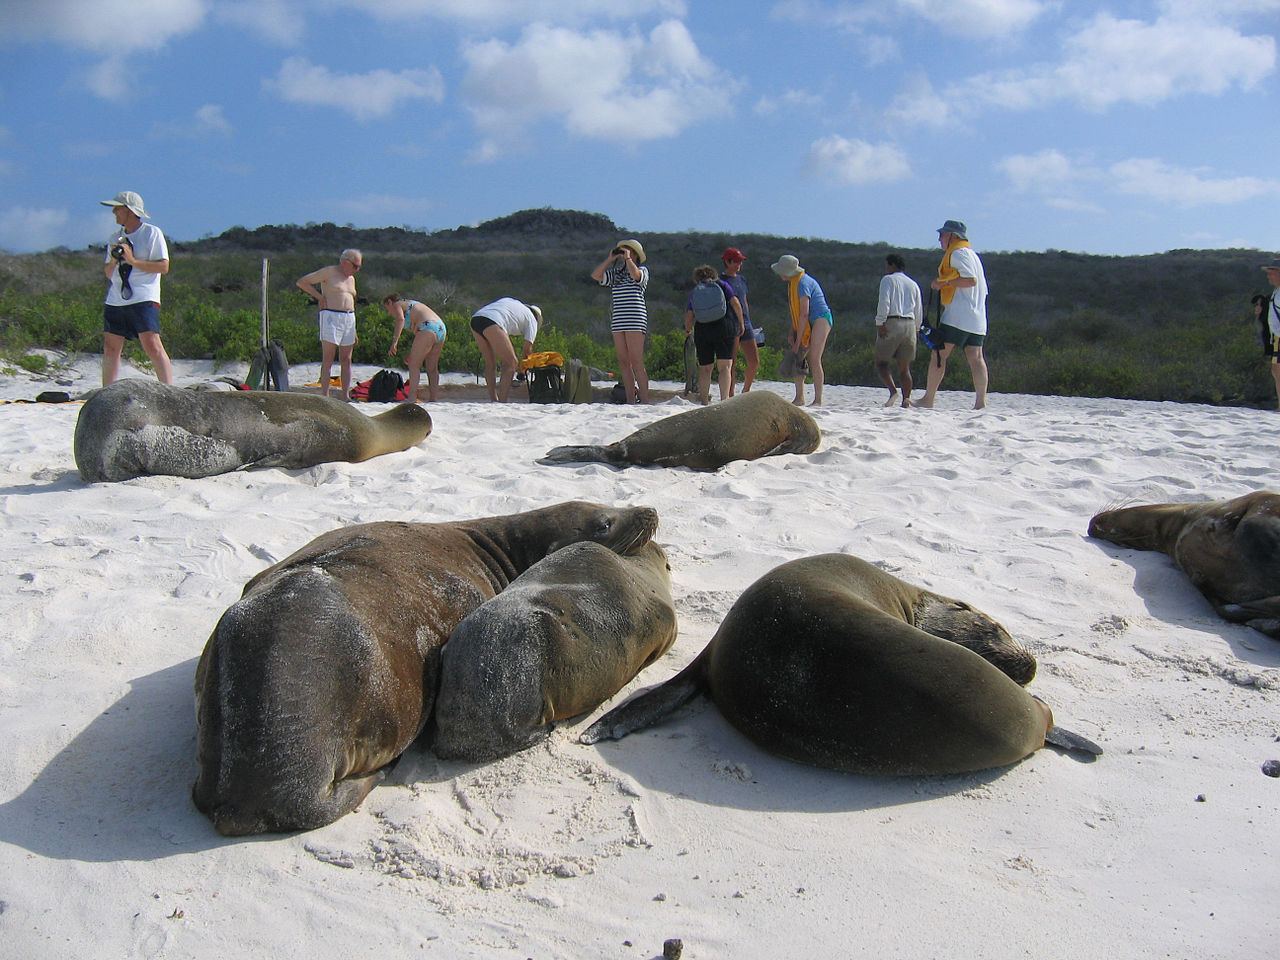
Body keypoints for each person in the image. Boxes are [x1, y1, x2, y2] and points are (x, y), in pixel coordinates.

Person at [98, 191, 174, 387]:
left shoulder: (151, 233)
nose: (114, 212)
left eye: (118, 208)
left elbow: (163, 267)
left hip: (143, 297)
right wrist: (116, 258)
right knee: (111, 347)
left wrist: (132, 260)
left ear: (129, 211)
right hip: (116, 298)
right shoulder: (115, 237)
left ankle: (169, 389)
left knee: (151, 345)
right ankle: (107, 391)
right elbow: (108, 272)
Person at [918, 220, 989, 410]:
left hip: (958, 315)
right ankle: (980, 403)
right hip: (978, 318)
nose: (939, 238)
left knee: (939, 355)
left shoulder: (958, 254)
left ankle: (928, 399)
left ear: (953, 236)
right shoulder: (974, 255)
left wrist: (943, 284)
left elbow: (970, 280)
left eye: (943, 235)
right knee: (976, 358)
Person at [296, 249, 363, 400]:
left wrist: (355, 330)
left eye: (359, 267)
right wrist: (319, 297)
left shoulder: (351, 279)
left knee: (346, 359)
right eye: (355, 266)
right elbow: (302, 282)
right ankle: (325, 395)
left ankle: (345, 396)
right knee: (328, 358)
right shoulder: (328, 272)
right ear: (346, 262)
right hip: (331, 315)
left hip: (349, 317)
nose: (356, 270)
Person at [591, 239, 650, 404]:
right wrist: (610, 259)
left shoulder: (642, 270)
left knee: (636, 361)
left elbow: (636, 276)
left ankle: (645, 401)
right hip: (618, 320)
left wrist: (629, 259)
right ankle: (630, 400)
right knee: (624, 362)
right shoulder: (616, 274)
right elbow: (596, 276)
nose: (624, 253)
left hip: (635, 319)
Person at [771, 254, 832, 406]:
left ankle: (818, 400)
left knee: (814, 359)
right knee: (799, 357)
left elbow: (804, 313)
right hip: (806, 320)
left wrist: (798, 342)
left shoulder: (803, 282)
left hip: (820, 318)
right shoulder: (793, 283)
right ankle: (800, 397)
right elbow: (797, 314)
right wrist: (793, 332)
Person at [684, 264, 743, 404]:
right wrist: (740, 323)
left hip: (703, 329)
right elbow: (735, 303)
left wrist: (687, 330)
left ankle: (704, 401)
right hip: (724, 326)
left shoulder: (695, 291)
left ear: (697, 279)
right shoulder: (723, 285)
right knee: (725, 367)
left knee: (705, 368)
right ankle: (724, 400)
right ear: (714, 275)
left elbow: (690, 315)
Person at [873, 253, 923, 408]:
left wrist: (880, 322)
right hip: (910, 323)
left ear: (892, 265)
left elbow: (884, 302)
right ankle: (906, 399)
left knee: (881, 362)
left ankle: (893, 391)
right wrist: (917, 328)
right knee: (904, 367)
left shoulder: (888, 280)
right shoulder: (913, 284)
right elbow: (918, 308)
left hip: (893, 321)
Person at [470, 297, 542, 402]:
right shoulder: (532, 320)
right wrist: (522, 371)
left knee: (490, 363)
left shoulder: (513, 304)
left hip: (476, 319)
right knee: (511, 362)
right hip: (493, 321)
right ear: (537, 317)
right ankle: (502, 401)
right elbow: (527, 349)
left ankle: (493, 399)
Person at [383, 294, 447, 402]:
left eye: (387, 309)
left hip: (427, 327)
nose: (389, 312)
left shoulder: (397, 304)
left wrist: (394, 341)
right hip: (440, 327)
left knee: (414, 365)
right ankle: (433, 398)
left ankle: (412, 398)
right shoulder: (409, 303)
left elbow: (400, 320)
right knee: (432, 367)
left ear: (390, 302)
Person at [720, 247, 759, 395]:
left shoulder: (741, 279)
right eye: (736, 262)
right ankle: (730, 394)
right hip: (730, 322)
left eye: (740, 262)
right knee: (732, 362)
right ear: (727, 262)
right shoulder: (721, 281)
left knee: (754, 361)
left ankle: (746, 391)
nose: (739, 265)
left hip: (746, 322)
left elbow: (744, 300)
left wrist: (747, 318)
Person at [1260, 259, 1280, 410]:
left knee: (1277, 370)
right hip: (1277, 338)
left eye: (1271, 273)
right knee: (1276, 370)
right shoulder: (1276, 292)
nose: (1268, 276)